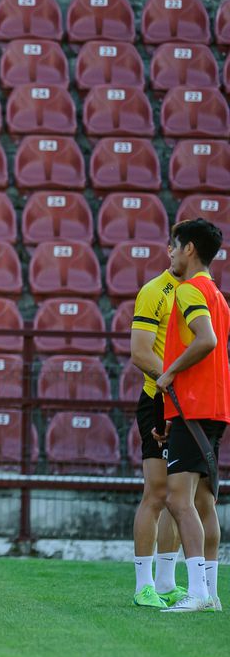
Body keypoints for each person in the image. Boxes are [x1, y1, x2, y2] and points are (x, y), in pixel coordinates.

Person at [154, 219, 228, 613]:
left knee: (178, 501)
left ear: (189, 249)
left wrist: (168, 375)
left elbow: (206, 340)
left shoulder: (188, 290)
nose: (169, 252)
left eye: (173, 245)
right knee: (202, 502)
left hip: (195, 407)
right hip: (212, 408)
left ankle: (197, 592)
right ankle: (210, 592)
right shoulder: (217, 295)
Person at [127, 249, 185, 608]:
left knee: (182, 496)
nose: (177, 253)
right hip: (158, 399)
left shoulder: (199, 292)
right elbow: (141, 353)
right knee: (158, 492)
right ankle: (143, 585)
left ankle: (166, 582)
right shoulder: (154, 291)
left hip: (188, 404)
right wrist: (171, 385)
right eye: (174, 246)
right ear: (171, 249)